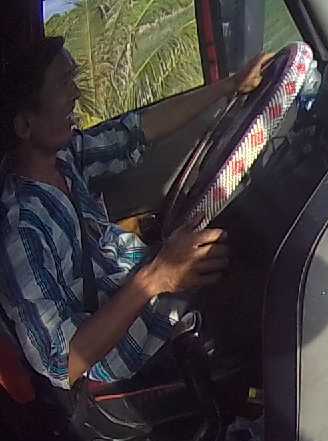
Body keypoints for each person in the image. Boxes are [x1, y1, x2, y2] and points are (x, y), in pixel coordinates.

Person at [0, 35, 272, 391]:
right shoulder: (21, 228)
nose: (76, 93)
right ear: (24, 126)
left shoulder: (64, 159)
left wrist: (230, 86)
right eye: (64, 83)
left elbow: (135, 132)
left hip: (138, 282)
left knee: (244, 248)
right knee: (262, 294)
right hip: (120, 351)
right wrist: (157, 277)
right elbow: (62, 362)